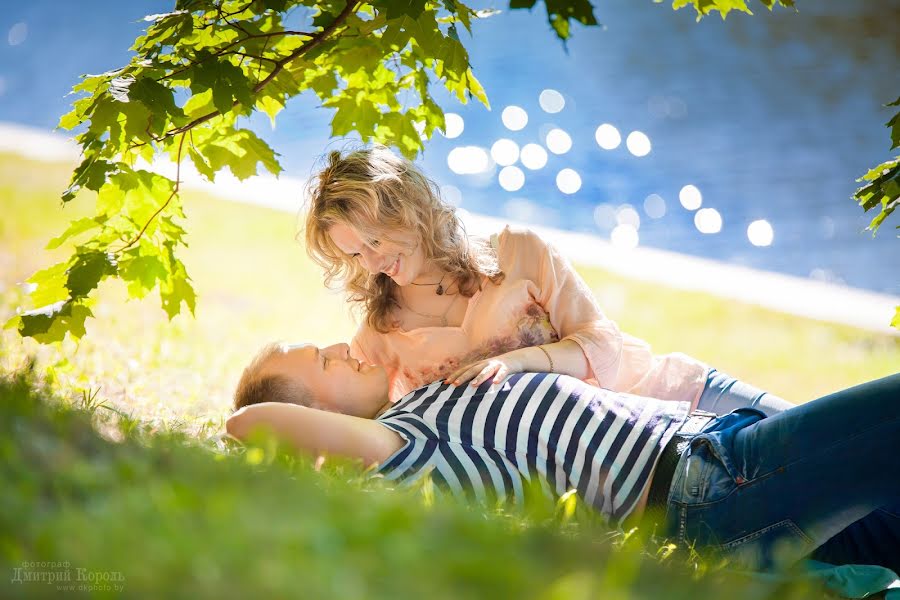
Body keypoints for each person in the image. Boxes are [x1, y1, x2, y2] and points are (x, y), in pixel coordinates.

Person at [227, 342, 900, 572]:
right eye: (324, 363)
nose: (342, 349)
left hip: (731, 466)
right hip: (722, 487)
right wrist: (297, 428)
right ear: (316, 421)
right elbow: (248, 422)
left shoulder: (424, 401)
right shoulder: (403, 445)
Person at [302, 146, 792, 417]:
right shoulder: (383, 335)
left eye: (374, 241)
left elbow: (603, 344)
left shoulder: (518, 251)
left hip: (677, 392)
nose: (371, 263)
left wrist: (518, 362)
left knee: (841, 444)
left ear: (406, 210)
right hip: (632, 462)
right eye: (354, 254)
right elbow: (339, 410)